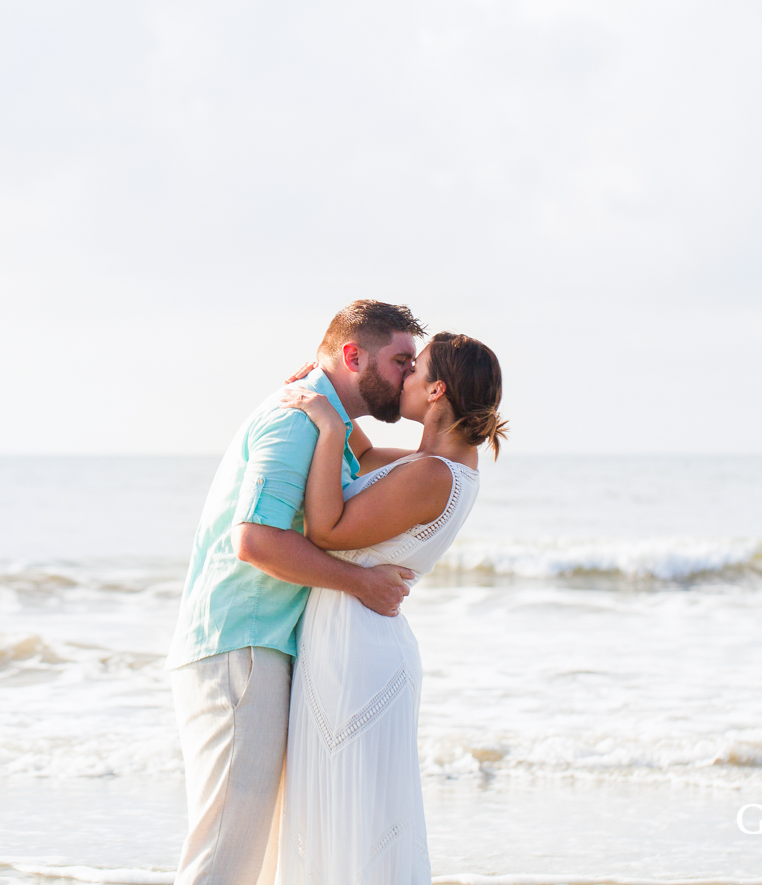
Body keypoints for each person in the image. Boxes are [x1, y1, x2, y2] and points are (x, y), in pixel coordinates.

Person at [166, 300, 429, 885]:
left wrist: (454, 451)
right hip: (241, 645)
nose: (410, 375)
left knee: (251, 857)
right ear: (353, 355)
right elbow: (255, 541)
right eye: (401, 361)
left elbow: (379, 471)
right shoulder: (294, 419)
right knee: (226, 854)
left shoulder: (326, 419)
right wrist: (360, 583)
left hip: (261, 646)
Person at [275, 331, 507, 885]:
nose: (401, 376)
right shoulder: (442, 460)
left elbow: (327, 530)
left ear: (436, 390)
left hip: (356, 653)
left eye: (414, 367)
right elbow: (369, 459)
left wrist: (328, 425)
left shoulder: (433, 474)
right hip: (355, 644)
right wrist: (326, 393)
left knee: (352, 819)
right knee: (347, 817)